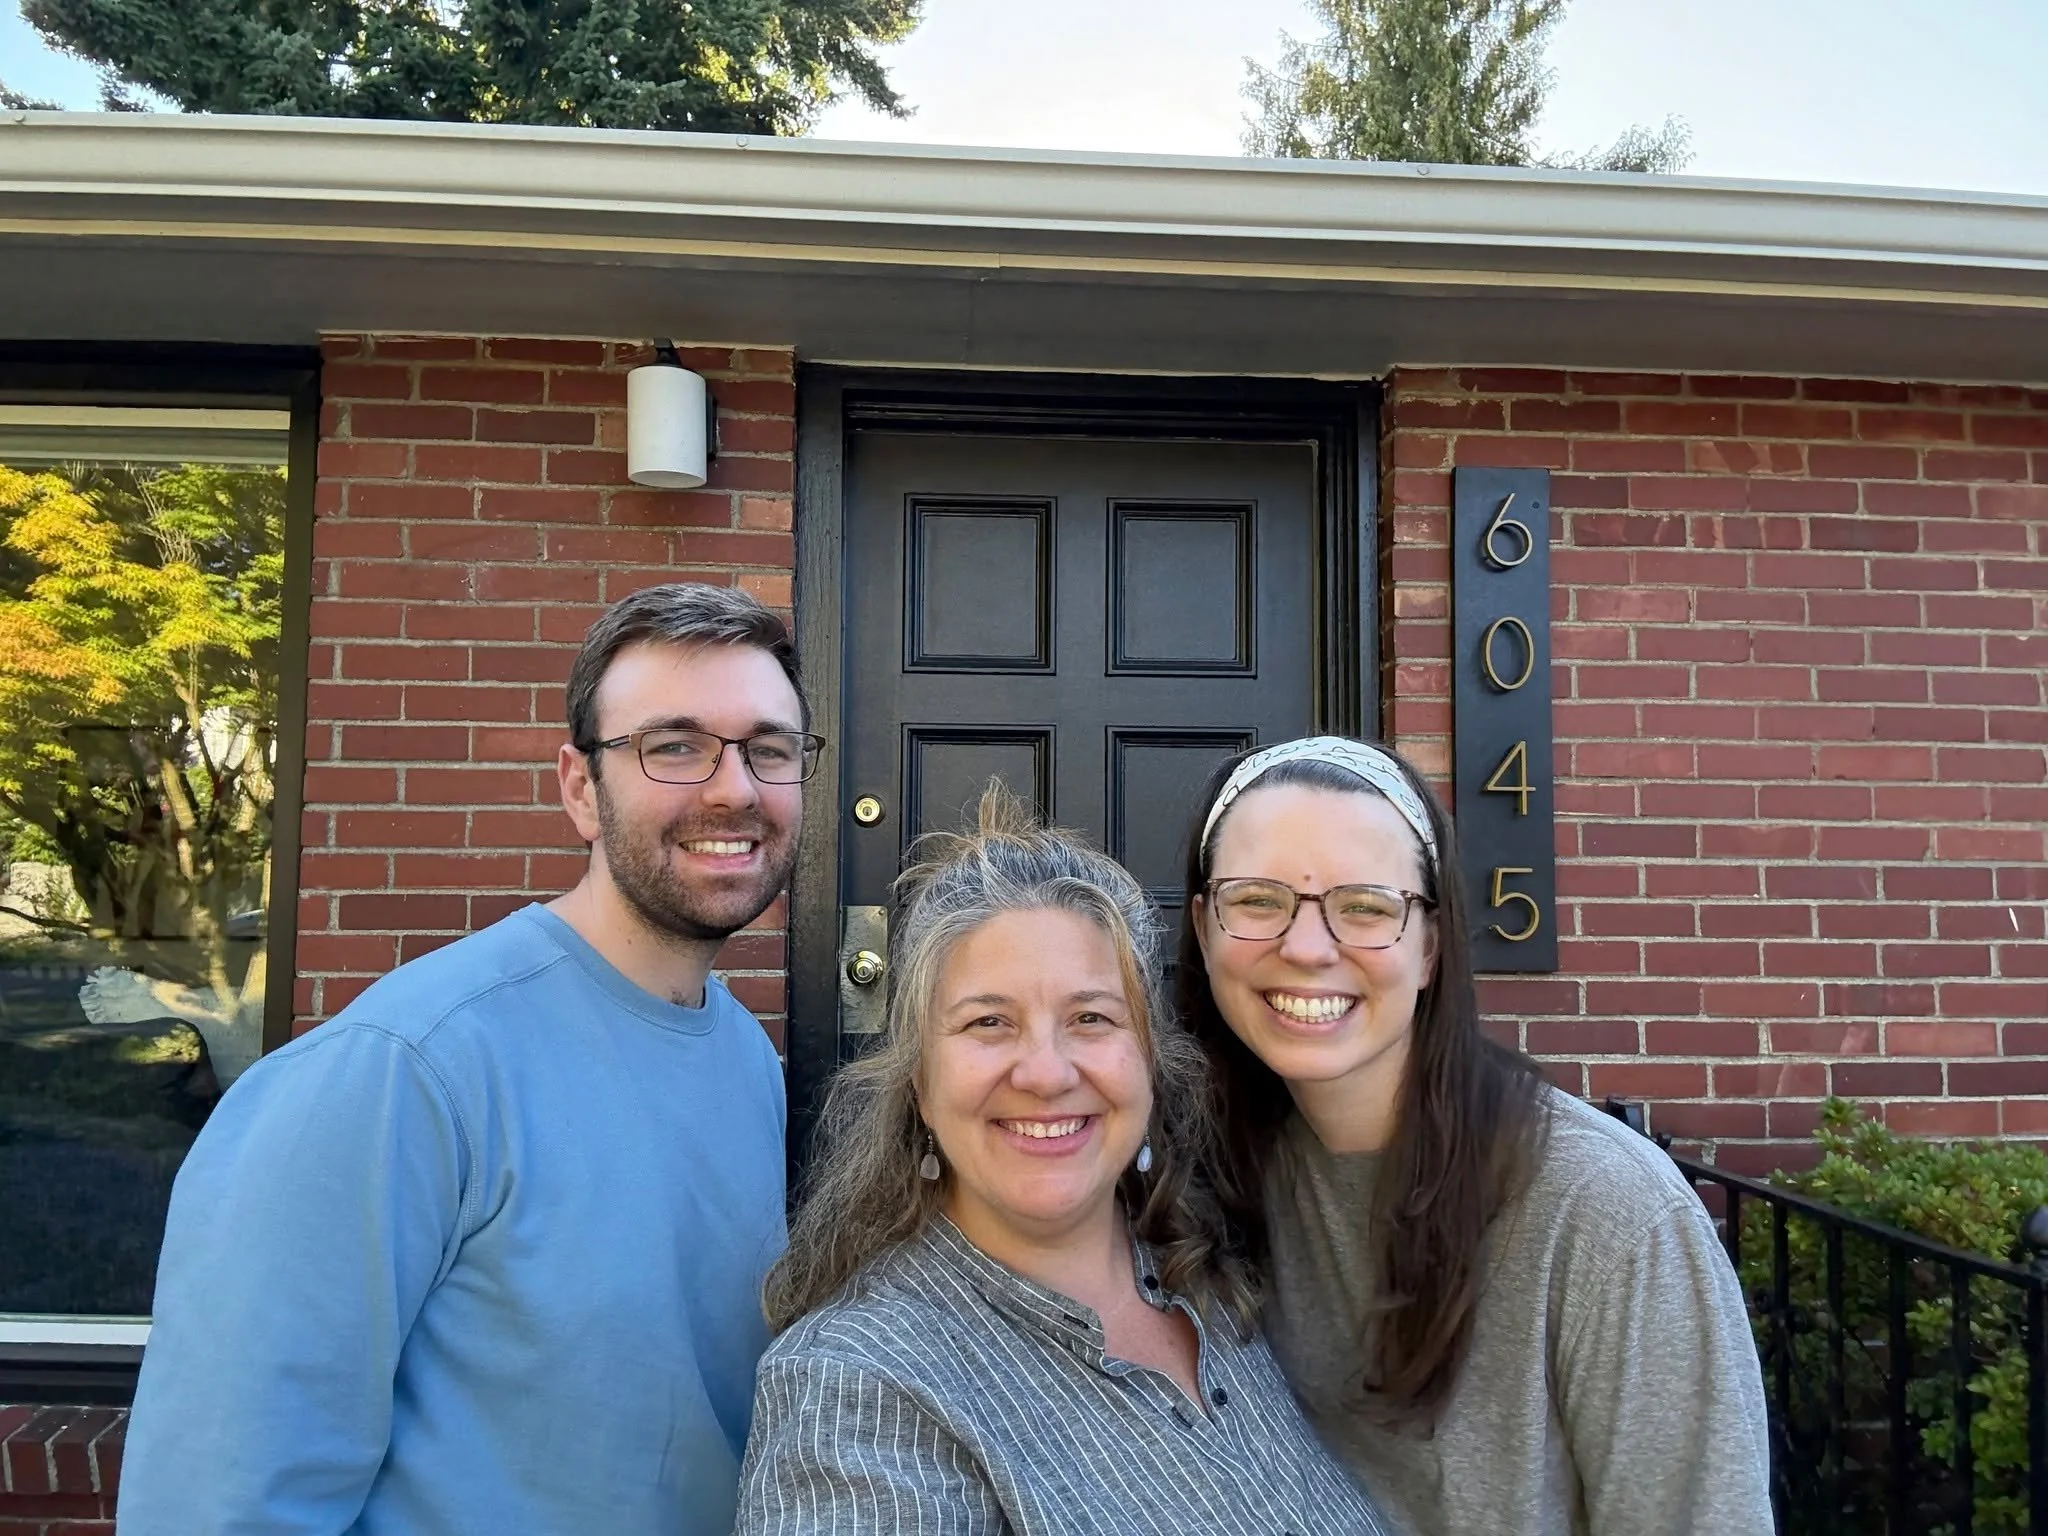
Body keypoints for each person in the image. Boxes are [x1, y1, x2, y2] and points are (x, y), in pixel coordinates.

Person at [119, 583, 819, 1536]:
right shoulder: (403, 1070)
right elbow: (219, 1504)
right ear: (581, 789)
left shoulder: (742, 1058)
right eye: (675, 746)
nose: (734, 788)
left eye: (769, 749)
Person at [735, 788, 1394, 1536]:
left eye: (1091, 1017)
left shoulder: (1215, 1282)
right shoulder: (860, 1389)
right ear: (920, 1082)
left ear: (1149, 1063)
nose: (1046, 1074)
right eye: (989, 1022)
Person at [1176, 736, 1773, 1536]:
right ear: (1203, 927)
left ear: (1430, 946)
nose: (1308, 947)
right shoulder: (1194, 1172)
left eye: (1366, 907)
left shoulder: (1610, 1214)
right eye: (1256, 900)